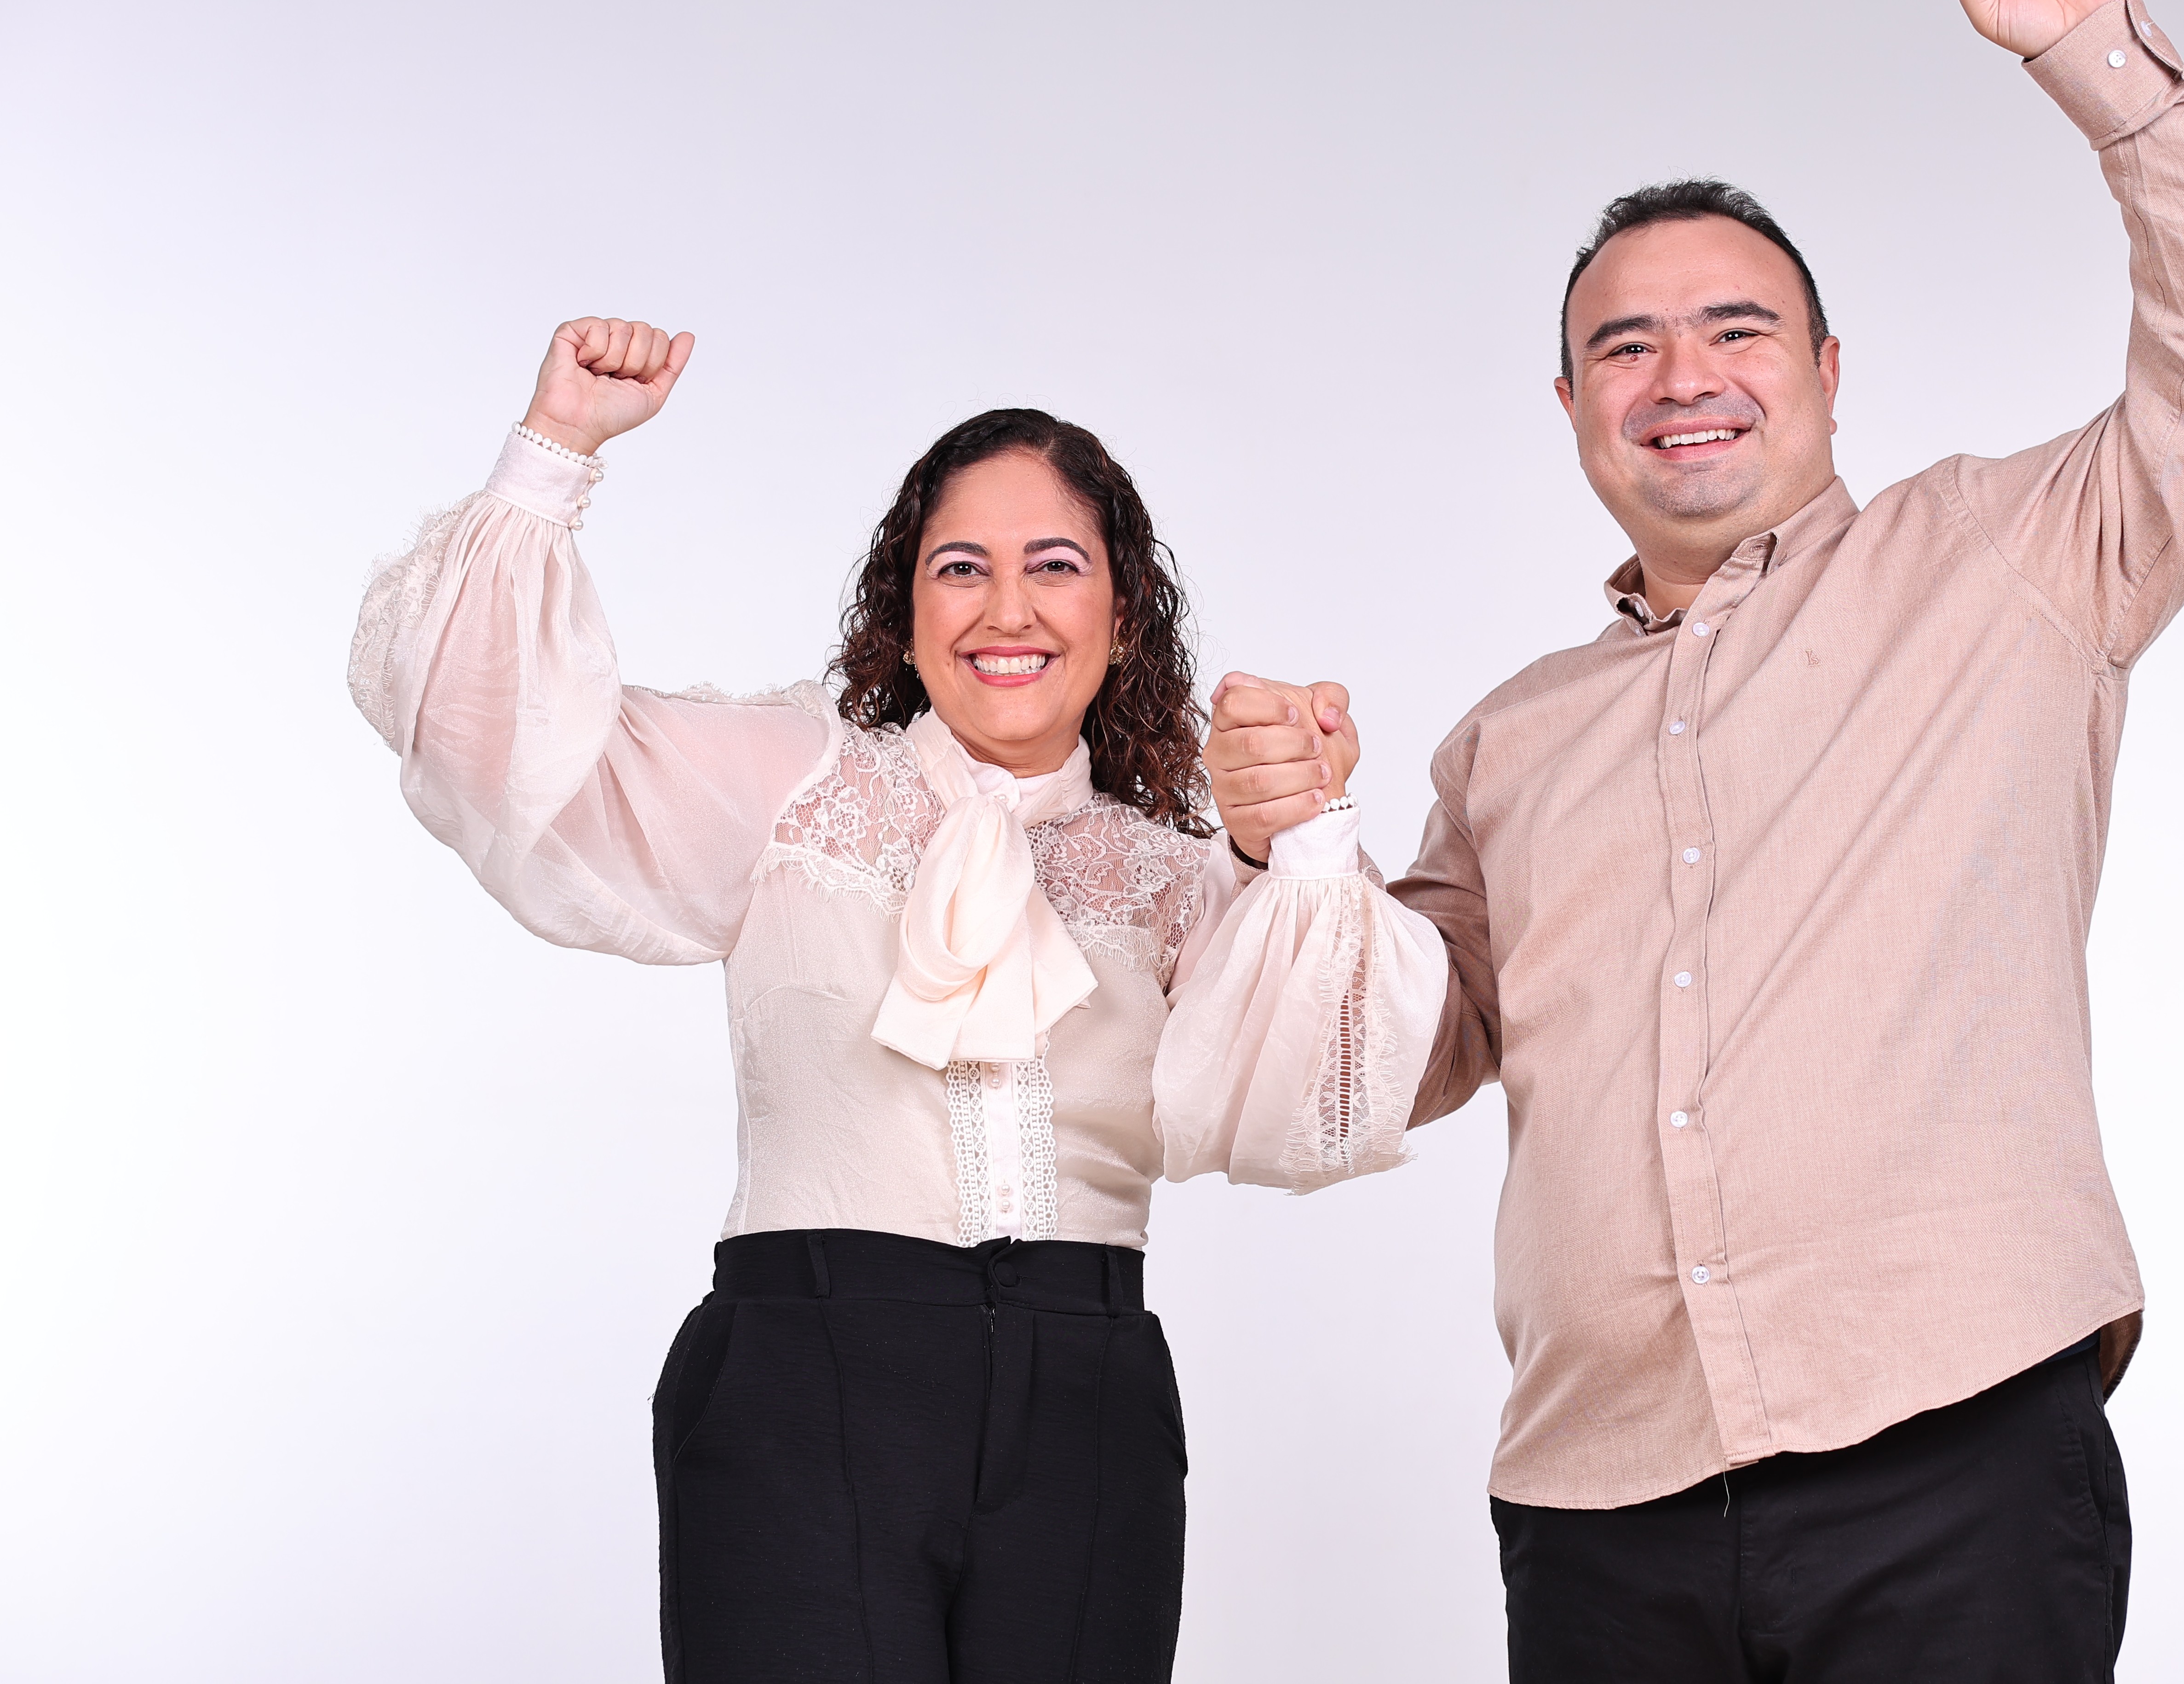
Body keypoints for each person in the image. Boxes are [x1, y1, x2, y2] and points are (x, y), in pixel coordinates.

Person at [1209, 0, 2184, 1681]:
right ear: (1572, 403)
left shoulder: (2008, 558)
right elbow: (1406, 1055)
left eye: (1738, 331)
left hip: (1949, 1452)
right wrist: (1293, 856)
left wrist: (2102, 63)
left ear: (1825, 374)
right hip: (1599, 1507)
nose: (1684, 381)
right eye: (1628, 348)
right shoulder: (1507, 740)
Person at [347, 322, 1447, 1683]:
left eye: (1056, 567)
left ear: (1121, 611)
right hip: (805, 1375)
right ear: (906, 608)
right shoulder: (796, 784)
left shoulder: (1178, 882)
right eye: (961, 568)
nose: (1008, 610)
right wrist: (554, 448)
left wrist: (1309, 833)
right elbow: (482, 734)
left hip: (1087, 1388)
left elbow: (1326, 1099)